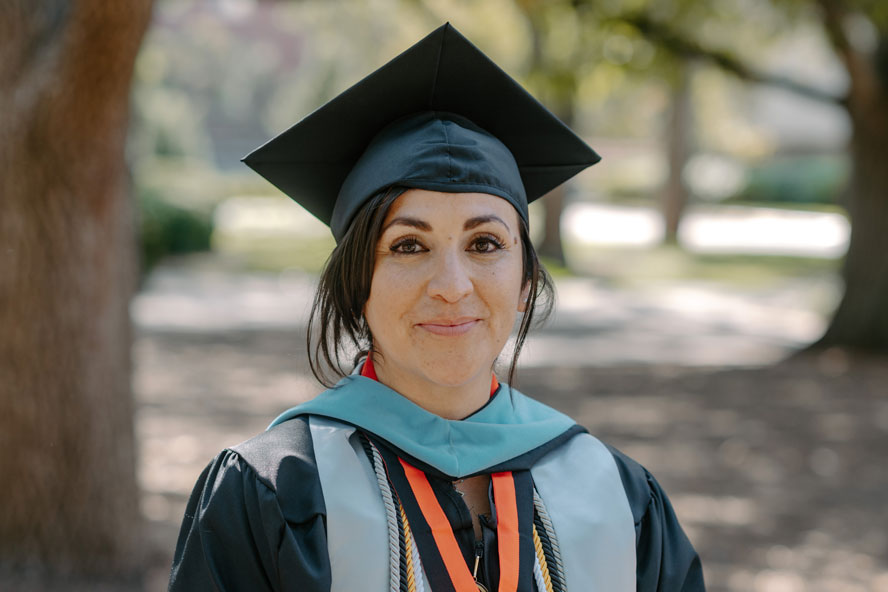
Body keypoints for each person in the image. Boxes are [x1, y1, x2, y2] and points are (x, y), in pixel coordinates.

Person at [169, 23, 705, 592]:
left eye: (485, 244)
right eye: (408, 246)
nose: (452, 286)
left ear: (526, 281)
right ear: (357, 282)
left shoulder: (618, 493)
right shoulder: (273, 491)